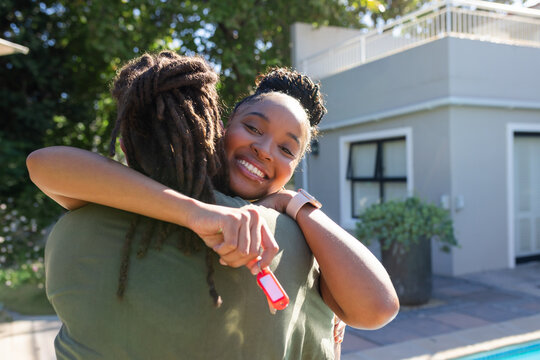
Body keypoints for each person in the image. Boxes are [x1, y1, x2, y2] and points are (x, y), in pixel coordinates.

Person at [28, 52, 398, 359]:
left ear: (292, 170)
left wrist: (294, 203)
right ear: (222, 128)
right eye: (253, 128)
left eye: (287, 149)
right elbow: (44, 164)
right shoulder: (139, 194)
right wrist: (201, 214)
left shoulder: (296, 233)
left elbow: (379, 306)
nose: (264, 150)